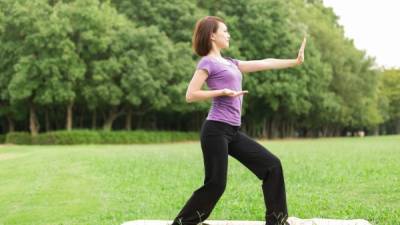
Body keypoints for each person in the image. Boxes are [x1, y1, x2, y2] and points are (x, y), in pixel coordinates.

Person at [171, 16, 306, 225]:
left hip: (232, 132)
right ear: (212, 35)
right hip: (215, 129)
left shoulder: (231, 63)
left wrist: (294, 62)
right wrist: (221, 91)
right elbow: (190, 94)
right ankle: (183, 223)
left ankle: (277, 220)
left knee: (272, 166)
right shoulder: (207, 62)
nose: (228, 34)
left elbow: (265, 62)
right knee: (216, 184)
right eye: (225, 31)